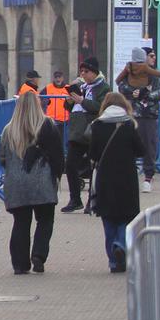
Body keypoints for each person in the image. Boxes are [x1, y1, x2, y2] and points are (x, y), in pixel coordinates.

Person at [0, 90, 65, 275]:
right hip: (42, 182)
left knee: (21, 222)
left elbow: (2, 158)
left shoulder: (8, 130)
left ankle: (20, 264)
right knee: (45, 220)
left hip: (17, 184)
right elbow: (58, 156)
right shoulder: (48, 125)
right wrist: (57, 176)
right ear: (38, 105)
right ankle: (39, 254)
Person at [89, 93, 146, 273]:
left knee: (108, 219)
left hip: (105, 177)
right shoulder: (129, 125)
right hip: (126, 177)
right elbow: (141, 150)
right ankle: (121, 244)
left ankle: (113, 261)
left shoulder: (97, 125)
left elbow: (92, 153)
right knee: (126, 216)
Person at [61, 58, 110, 213]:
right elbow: (69, 108)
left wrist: (82, 101)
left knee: (93, 167)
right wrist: (69, 101)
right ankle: (75, 199)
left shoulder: (104, 88)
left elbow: (100, 107)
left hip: (92, 132)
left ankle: (92, 201)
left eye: (86, 71)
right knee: (70, 165)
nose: (83, 74)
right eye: (81, 71)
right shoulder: (82, 86)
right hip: (76, 133)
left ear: (94, 72)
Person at [116, 45, 160, 193]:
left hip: (149, 115)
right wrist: (133, 92)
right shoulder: (129, 71)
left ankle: (148, 178)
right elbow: (121, 86)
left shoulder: (155, 75)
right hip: (132, 114)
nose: (153, 58)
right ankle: (129, 176)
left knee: (149, 147)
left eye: (154, 56)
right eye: (150, 55)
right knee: (129, 145)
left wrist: (146, 94)